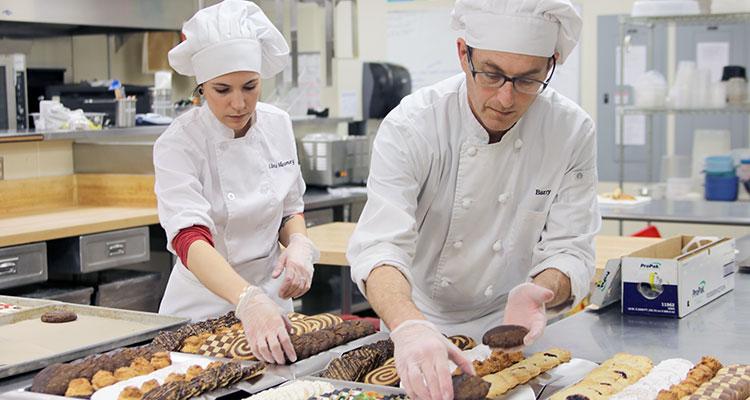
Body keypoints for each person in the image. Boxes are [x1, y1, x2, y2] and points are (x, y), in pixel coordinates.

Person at [346, 0, 601, 398]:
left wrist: (541, 290)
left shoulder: (570, 131)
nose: (505, 98)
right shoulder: (412, 126)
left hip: (513, 330)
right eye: (492, 74)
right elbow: (379, 247)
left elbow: (571, 249)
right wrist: (409, 326)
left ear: (551, 64)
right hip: (420, 321)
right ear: (464, 53)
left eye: (528, 80)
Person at [153, 0, 319, 366]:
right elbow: (188, 238)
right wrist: (247, 300)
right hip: (201, 308)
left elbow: (289, 207)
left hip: (271, 300)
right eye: (222, 90)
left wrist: (299, 244)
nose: (239, 103)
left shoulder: (277, 125)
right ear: (200, 88)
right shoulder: (179, 143)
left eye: (250, 86)